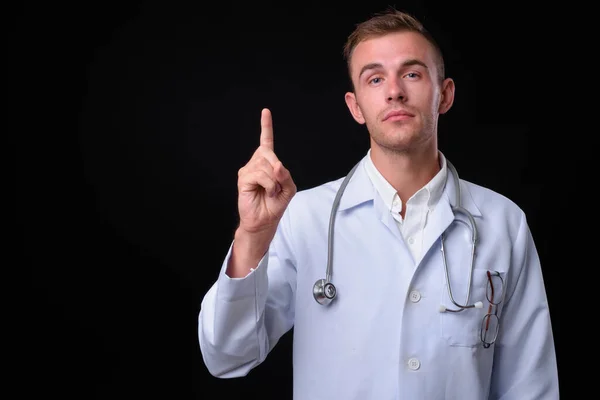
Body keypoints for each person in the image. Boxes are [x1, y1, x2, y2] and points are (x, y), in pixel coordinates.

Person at [197, 8, 559, 399]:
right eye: (375, 78)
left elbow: (530, 384)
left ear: (445, 94)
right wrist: (251, 235)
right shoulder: (306, 217)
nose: (394, 91)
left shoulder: (503, 222)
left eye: (412, 73)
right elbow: (227, 356)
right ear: (355, 106)